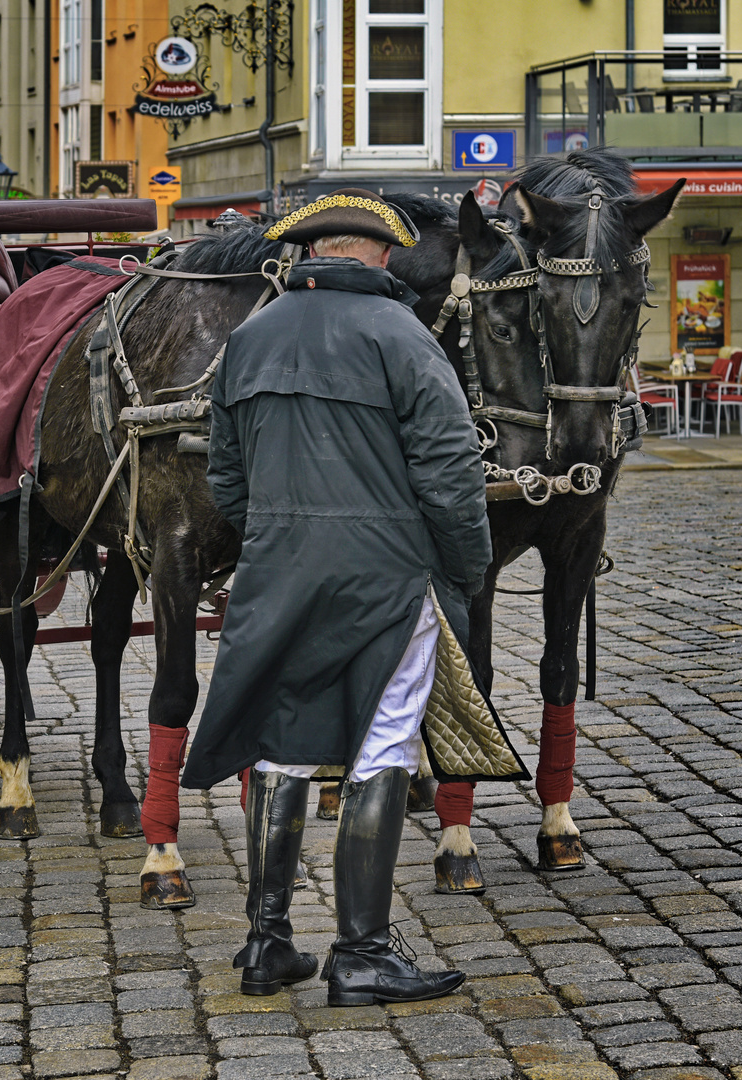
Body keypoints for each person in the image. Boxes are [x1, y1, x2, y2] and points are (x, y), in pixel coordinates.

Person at [179, 190, 493, 1007]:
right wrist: (465, 570)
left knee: (281, 743)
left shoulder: (247, 340)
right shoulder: (403, 335)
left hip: (277, 575)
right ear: (381, 255)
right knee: (385, 741)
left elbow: (225, 476)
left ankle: (266, 943)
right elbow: (453, 470)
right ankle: (361, 954)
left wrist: (283, 540)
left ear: (310, 256)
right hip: (386, 576)